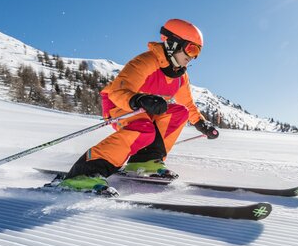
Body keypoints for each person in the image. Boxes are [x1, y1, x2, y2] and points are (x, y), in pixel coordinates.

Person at [59, 18, 219, 195]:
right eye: (191, 48)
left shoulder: (180, 77)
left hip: (147, 109)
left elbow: (187, 104)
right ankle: (83, 174)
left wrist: (201, 123)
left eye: (198, 52)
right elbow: (118, 91)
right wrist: (139, 99)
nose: (193, 56)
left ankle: (144, 160)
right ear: (173, 43)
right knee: (143, 128)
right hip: (120, 104)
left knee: (179, 112)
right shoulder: (145, 62)